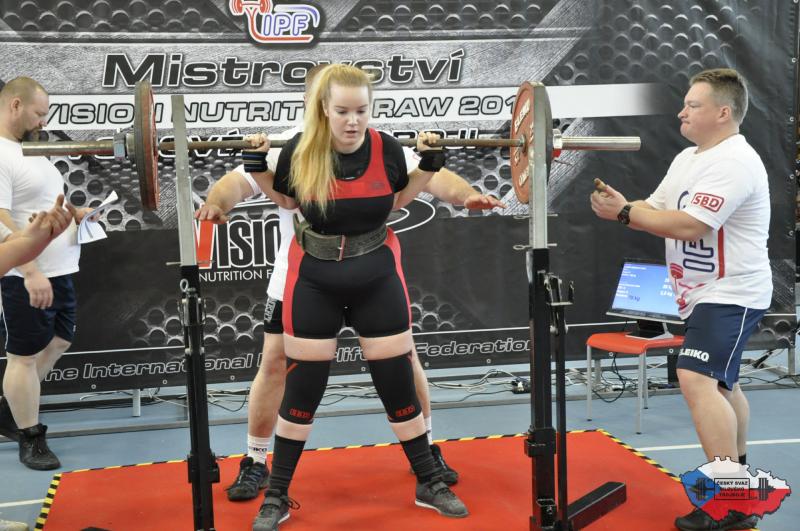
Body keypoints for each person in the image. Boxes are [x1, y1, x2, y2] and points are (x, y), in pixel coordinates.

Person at [195, 65, 503, 503]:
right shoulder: (290, 144)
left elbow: (432, 177)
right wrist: (216, 204)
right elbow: (236, 183)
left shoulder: (378, 145)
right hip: (300, 275)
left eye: (357, 109)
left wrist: (466, 194)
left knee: (402, 361)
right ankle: (256, 460)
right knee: (276, 363)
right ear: (317, 103)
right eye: (337, 107)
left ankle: (427, 452)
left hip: (368, 271)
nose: (349, 118)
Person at [590, 68, 768, 531]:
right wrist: (626, 206)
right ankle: (740, 491)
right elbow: (656, 208)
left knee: (694, 377)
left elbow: (691, 225)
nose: (681, 113)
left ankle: (730, 502)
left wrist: (625, 214)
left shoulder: (734, 162)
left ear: (723, 113)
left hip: (733, 291)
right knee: (723, 385)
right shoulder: (690, 157)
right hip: (702, 293)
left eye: (692, 105)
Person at [0, 77, 94, 471]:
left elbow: (42, 204)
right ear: (15, 105)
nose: (44, 121)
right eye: (39, 113)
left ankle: (11, 409)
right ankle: (30, 437)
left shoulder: (32, 150)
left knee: (59, 341)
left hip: (60, 270)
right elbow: (1, 220)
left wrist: (76, 214)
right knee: (22, 357)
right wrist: (29, 270)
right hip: (25, 276)